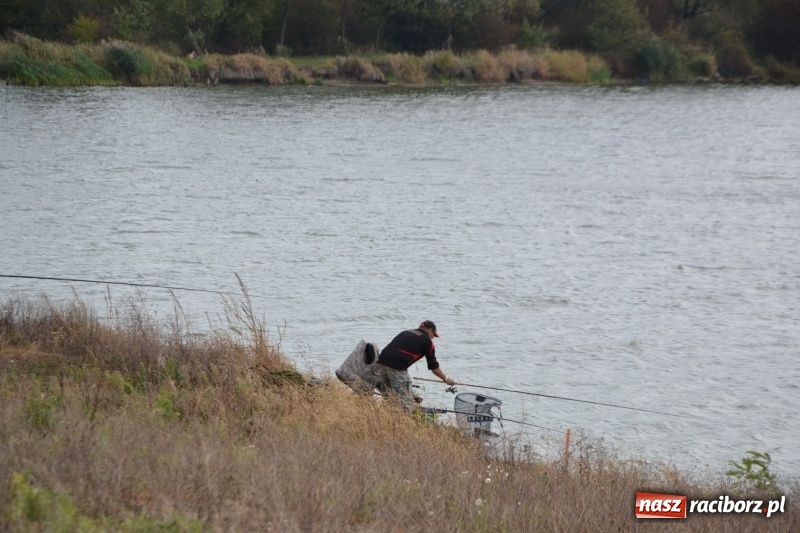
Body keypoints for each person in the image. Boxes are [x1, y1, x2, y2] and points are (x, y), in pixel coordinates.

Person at [377, 320, 456, 411]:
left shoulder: (406, 332)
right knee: (406, 403)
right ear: (430, 330)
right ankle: (405, 422)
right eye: (433, 335)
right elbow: (434, 368)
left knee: (388, 397)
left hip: (382, 361)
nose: (432, 338)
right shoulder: (427, 341)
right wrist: (446, 379)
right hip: (397, 366)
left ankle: (387, 419)